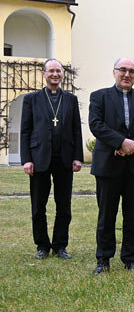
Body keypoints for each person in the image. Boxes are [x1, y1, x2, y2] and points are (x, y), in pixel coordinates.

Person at [89, 58, 134, 274]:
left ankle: (130, 259)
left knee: (133, 215)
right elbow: (96, 124)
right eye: (123, 70)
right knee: (106, 215)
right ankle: (103, 260)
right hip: (108, 165)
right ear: (114, 72)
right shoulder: (99, 96)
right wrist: (120, 142)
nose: (127, 74)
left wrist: (132, 146)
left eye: (131, 71)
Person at [20, 58, 83, 260]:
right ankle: (42, 246)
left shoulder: (71, 99)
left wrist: (78, 157)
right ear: (44, 74)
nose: (55, 74)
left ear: (62, 74)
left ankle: (60, 246)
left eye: (59, 71)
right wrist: (26, 159)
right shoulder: (32, 99)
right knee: (38, 206)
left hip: (64, 158)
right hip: (39, 158)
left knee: (64, 206)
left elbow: (76, 130)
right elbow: (25, 131)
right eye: (51, 71)